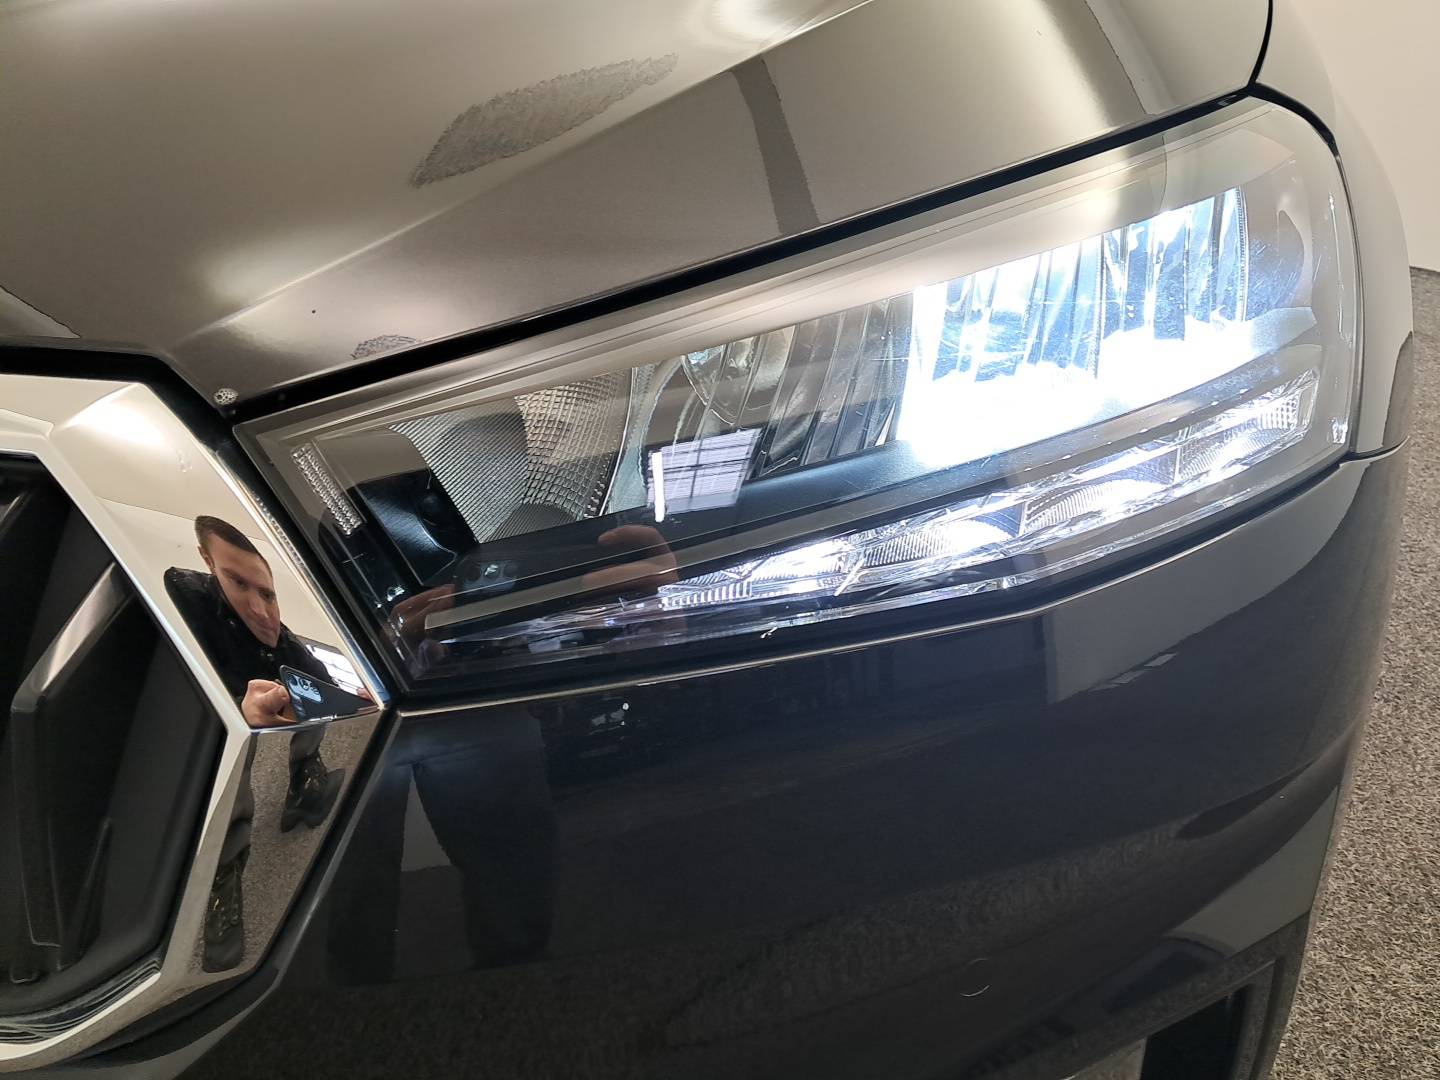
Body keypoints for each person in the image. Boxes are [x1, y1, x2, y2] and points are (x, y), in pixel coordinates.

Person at [165, 515, 345, 971]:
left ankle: (305, 780)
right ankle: (224, 878)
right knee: (227, 754)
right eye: (238, 584)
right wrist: (237, 717)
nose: (261, 609)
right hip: (209, 706)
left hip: (260, 675)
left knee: (311, 690)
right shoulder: (183, 596)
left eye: (267, 593)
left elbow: (328, 694)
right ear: (208, 563)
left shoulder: (277, 636)